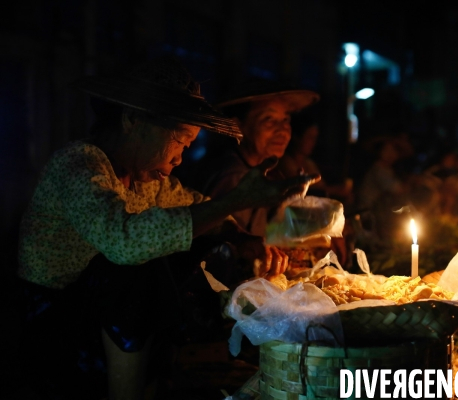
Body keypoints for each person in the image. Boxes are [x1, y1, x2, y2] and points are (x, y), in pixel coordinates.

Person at [15, 57, 317, 400]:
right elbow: (124, 240)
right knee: (135, 266)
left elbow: (194, 203)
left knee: (197, 245)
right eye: (179, 141)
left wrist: (240, 236)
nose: (179, 160)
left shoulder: (149, 181)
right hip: (56, 330)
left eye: (188, 147)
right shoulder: (79, 164)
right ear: (132, 120)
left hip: (98, 327)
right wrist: (233, 201)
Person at [192, 80, 320, 238]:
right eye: (269, 119)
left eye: (286, 120)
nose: (282, 130)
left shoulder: (255, 171)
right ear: (237, 126)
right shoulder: (232, 176)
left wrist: (287, 204)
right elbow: (228, 242)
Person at [277, 112, 353, 203]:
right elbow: (306, 191)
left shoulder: (309, 163)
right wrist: (336, 190)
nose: (313, 142)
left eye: (315, 138)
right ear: (296, 137)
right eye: (310, 137)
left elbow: (320, 187)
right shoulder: (285, 162)